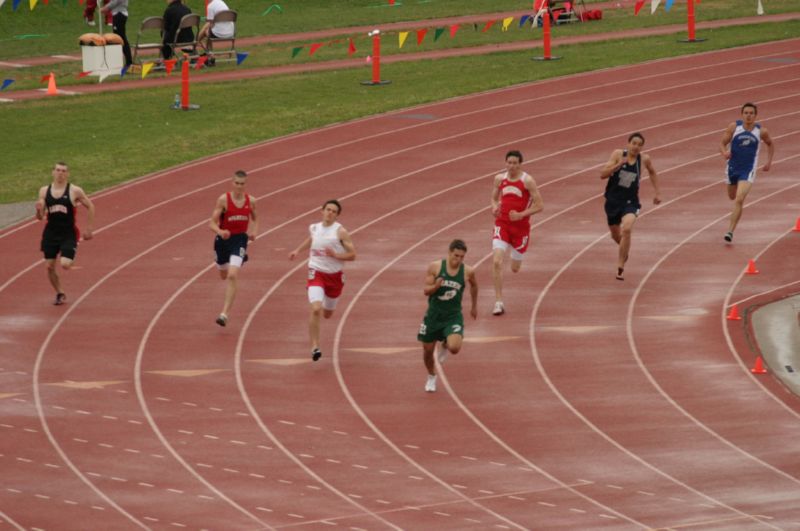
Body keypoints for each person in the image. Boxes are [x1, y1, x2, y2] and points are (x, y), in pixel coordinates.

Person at [289, 200, 356, 361]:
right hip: (316, 272)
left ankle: (327, 304)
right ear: (322, 211)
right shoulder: (314, 228)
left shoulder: (340, 232)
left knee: (327, 314)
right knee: (316, 309)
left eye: (333, 211)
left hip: (334, 277)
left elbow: (353, 255)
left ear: (337, 215)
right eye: (327, 210)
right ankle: (315, 346)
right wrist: (297, 250)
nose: (329, 213)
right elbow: (312, 239)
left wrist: (335, 255)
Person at [417, 239, 478, 393]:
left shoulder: (467, 271)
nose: (458, 260)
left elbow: (475, 285)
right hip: (434, 315)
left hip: (453, 316)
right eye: (456, 256)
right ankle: (431, 376)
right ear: (449, 252)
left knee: (455, 347)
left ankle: (445, 342)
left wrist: (474, 306)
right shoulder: (435, 267)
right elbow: (426, 290)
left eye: (462, 257)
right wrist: (436, 286)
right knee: (427, 351)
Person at [600, 132, 661, 280]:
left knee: (626, 229)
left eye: (639, 145)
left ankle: (620, 267)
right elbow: (602, 174)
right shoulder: (617, 154)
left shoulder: (644, 159)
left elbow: (653, 172)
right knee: (616, 235)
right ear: (628, 144)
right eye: (634, 143)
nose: (636, 147)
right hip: (613, 201)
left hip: (630, 202)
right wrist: (618, 165)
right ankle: (624, 249)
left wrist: (657, 193)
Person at [490, 150, 544, 316]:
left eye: (515, 163)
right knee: (497, 261)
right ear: (505, 163)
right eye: (509, 163)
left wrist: (521, 215)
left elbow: (540, 205)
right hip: (502, 224)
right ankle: (498, 302)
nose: (512, 166)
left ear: (520, 164)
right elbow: (493, 198)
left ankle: (516, 255)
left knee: (514, 268)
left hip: (520, 228)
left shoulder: (527, 181)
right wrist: (494, 206)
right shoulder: (499, 179)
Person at [35, 162, 96, 306]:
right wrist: (38, 210)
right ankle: (60, 293)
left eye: (63, 171)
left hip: (68, 233)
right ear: (53, 172)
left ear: (67, 174)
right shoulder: (44, 191)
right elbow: (40, 217)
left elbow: (91, 206)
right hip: (50, 233)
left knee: (65, 264)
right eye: (58, 170)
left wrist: (89, 228)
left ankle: (70, 257)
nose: (60, 173)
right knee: (49, 266)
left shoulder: (74, 191)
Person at [719, 102, 775, 243]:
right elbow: (721, 143)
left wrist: (769, 162)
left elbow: (770, 144)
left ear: (755, 116)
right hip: (732, 168)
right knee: (731, 196)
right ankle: (732, 224)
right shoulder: (734, 127)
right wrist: (724, 152)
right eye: (746, 113)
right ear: (742, 114)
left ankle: (730, 231)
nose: (748, 115)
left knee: (739, 199)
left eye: (751, 113)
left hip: (748, 170)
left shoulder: (761, 131)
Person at [209, 170, 258, 327]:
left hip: (239, 240)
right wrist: (220, 231)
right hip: (223, 241)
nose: (239, 186)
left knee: (232, 275)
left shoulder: (251, 201)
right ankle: (235, 259)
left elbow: (256, 218)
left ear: (245, 184)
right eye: (236, 183)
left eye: (242, 184)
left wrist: (254, 232)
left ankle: (224, 314)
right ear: (232, 183)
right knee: (223, 274)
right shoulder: (223, 200)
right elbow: (211, 223)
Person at [197, 0, 235, 64]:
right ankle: (208, 53)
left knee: (206, 31)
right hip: (230, 33)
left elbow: (210, 24)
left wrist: (201, 34)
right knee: (207, 30)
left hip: (218, 34)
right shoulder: (222, 2)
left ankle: (210, 55)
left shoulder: (210, 6)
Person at [101, 0, 132, 67]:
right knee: (118, 38)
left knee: (120, 38)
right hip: (118, 14)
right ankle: (124, 62)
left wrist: (105, 8)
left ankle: (129, 62)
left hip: (119, 14)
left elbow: (115, 1)